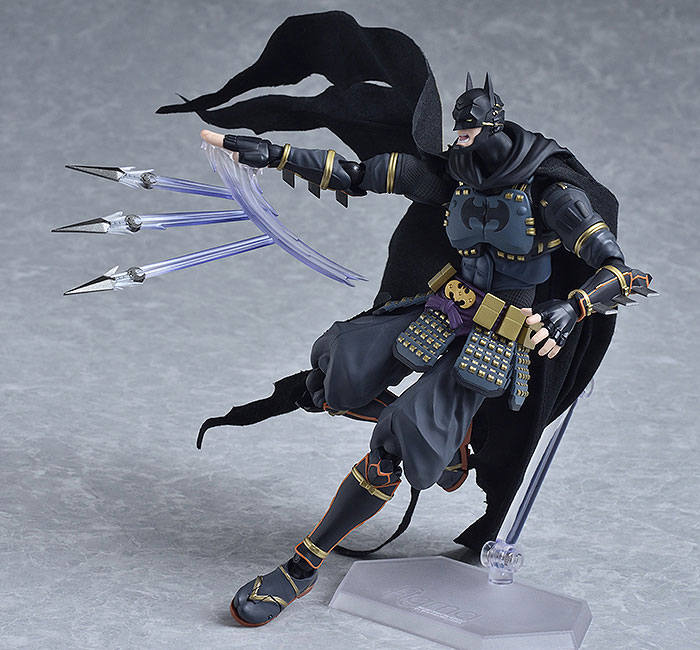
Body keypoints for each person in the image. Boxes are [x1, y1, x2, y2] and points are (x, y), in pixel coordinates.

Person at [158, 11, 652, 627]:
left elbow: (622, 272)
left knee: (395, 443)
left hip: (499, 339)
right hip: (445, 307)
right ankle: (446, 451)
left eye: (469, 131)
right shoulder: (453, 175)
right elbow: (358, 174)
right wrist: (270, 153)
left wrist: (570, 307)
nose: (459, 139)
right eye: (458, 130)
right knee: (337, 366)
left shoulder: (551, 194)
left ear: (493, 127)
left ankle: (302, 566)